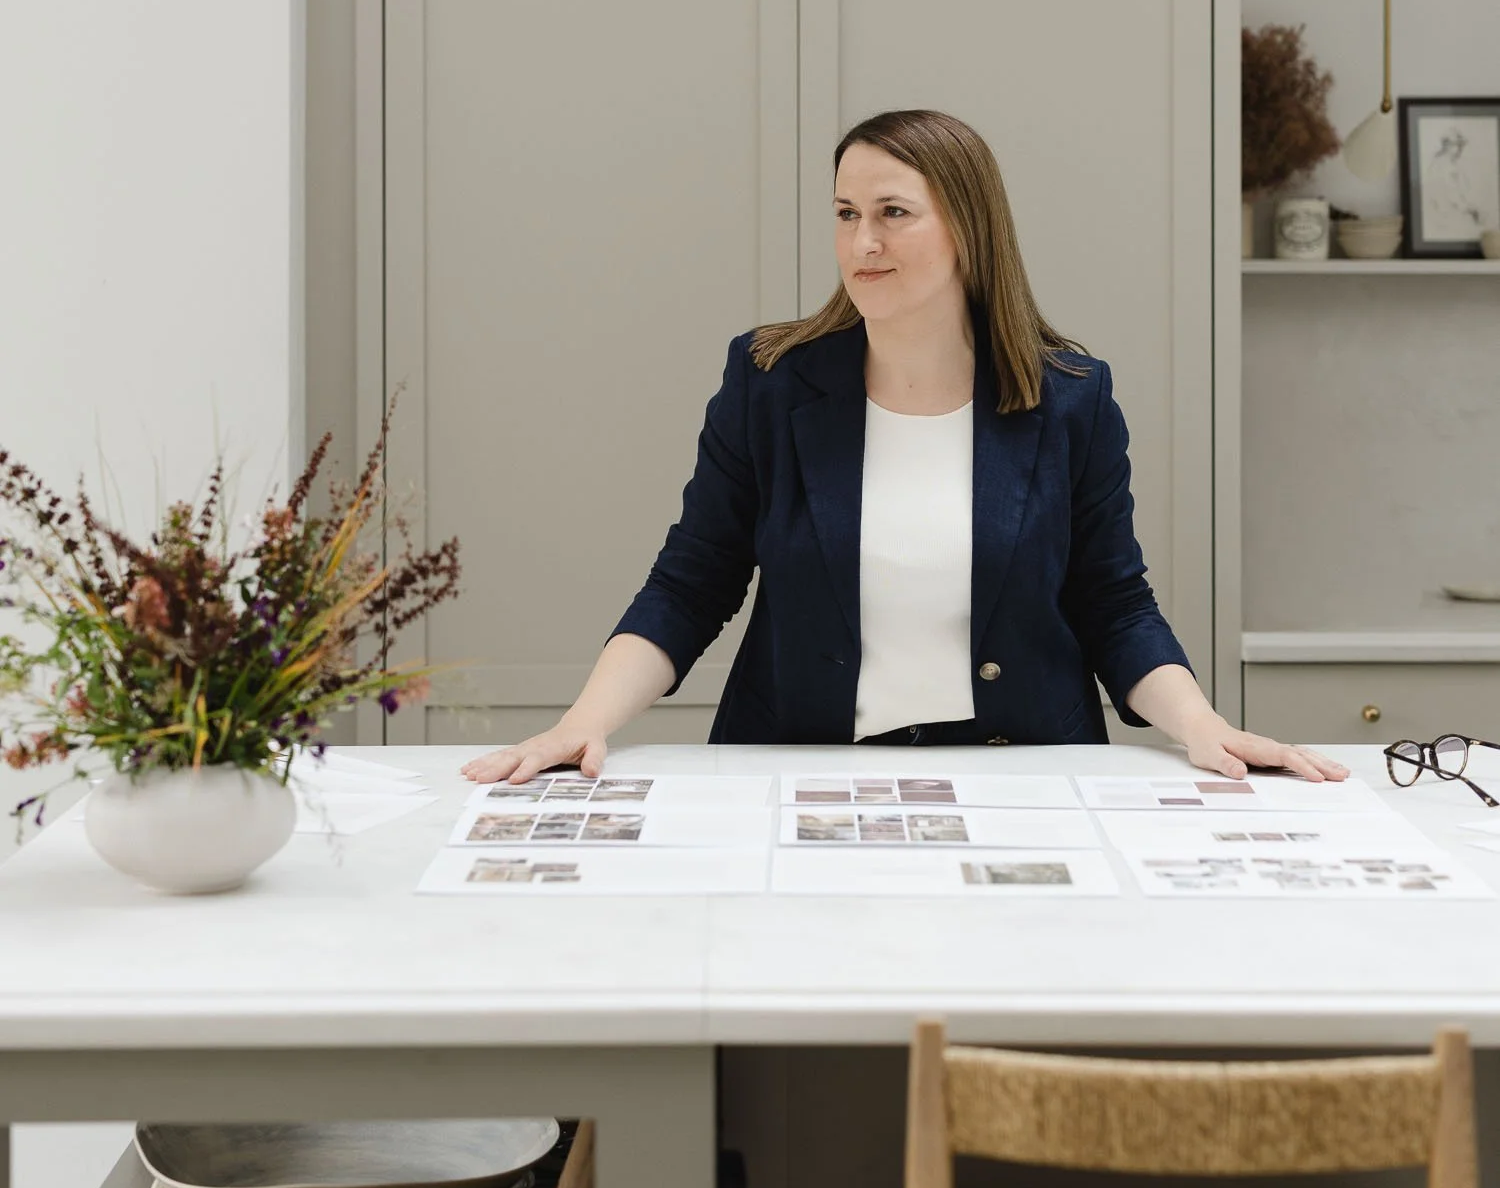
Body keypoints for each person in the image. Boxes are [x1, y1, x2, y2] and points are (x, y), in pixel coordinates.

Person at [462, 108, 1346, 788]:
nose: (863, 242)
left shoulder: (1070, 396)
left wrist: (1202, 728)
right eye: (847, 213)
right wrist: (581, 721)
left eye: (893, 213)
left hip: (1023, 775)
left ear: (966, 226)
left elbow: (1113, 604)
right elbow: (691, 584)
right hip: (800, 771)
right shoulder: (771, 379)